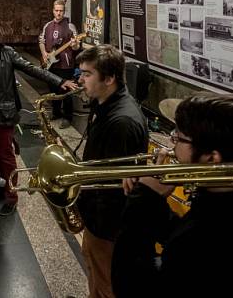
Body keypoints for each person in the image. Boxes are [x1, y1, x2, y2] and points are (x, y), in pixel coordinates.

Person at [113, 93, 233, 297]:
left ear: (212, 158)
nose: (173, 146)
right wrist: (155, 203)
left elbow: (130, 286)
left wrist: (141, 203)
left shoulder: (209, 237)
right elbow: (179, 231)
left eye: (179, 138)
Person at [0, 20, 77, 216]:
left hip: (3, 114)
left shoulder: (7, 53)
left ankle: (11, 195)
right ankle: (1, 185)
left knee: (6, 155)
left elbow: (33, 69)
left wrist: (60, 81)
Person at [74, 45, 148, 298]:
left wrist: (91, 218)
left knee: (108, 285)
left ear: (109, 78)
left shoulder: (122, 122)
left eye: (86, 74)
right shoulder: (105, 104)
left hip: (107, 225)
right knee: (95, 273)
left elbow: (114, 186)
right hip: (96, 217)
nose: (80, 79)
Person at [39, 0, 80, 129]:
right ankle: (56, 112)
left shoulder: (70, 26)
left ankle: (68, 117)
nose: (58, 13)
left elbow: (76, 47)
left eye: (61, 11)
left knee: (67, 91)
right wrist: (44, 53)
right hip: (52, 64)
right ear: (53, 11)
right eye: (56, 10)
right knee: (53, 89)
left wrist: (75, 44)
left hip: (66, 65)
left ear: (64, 11)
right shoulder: (48, 26)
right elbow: (41, 41)